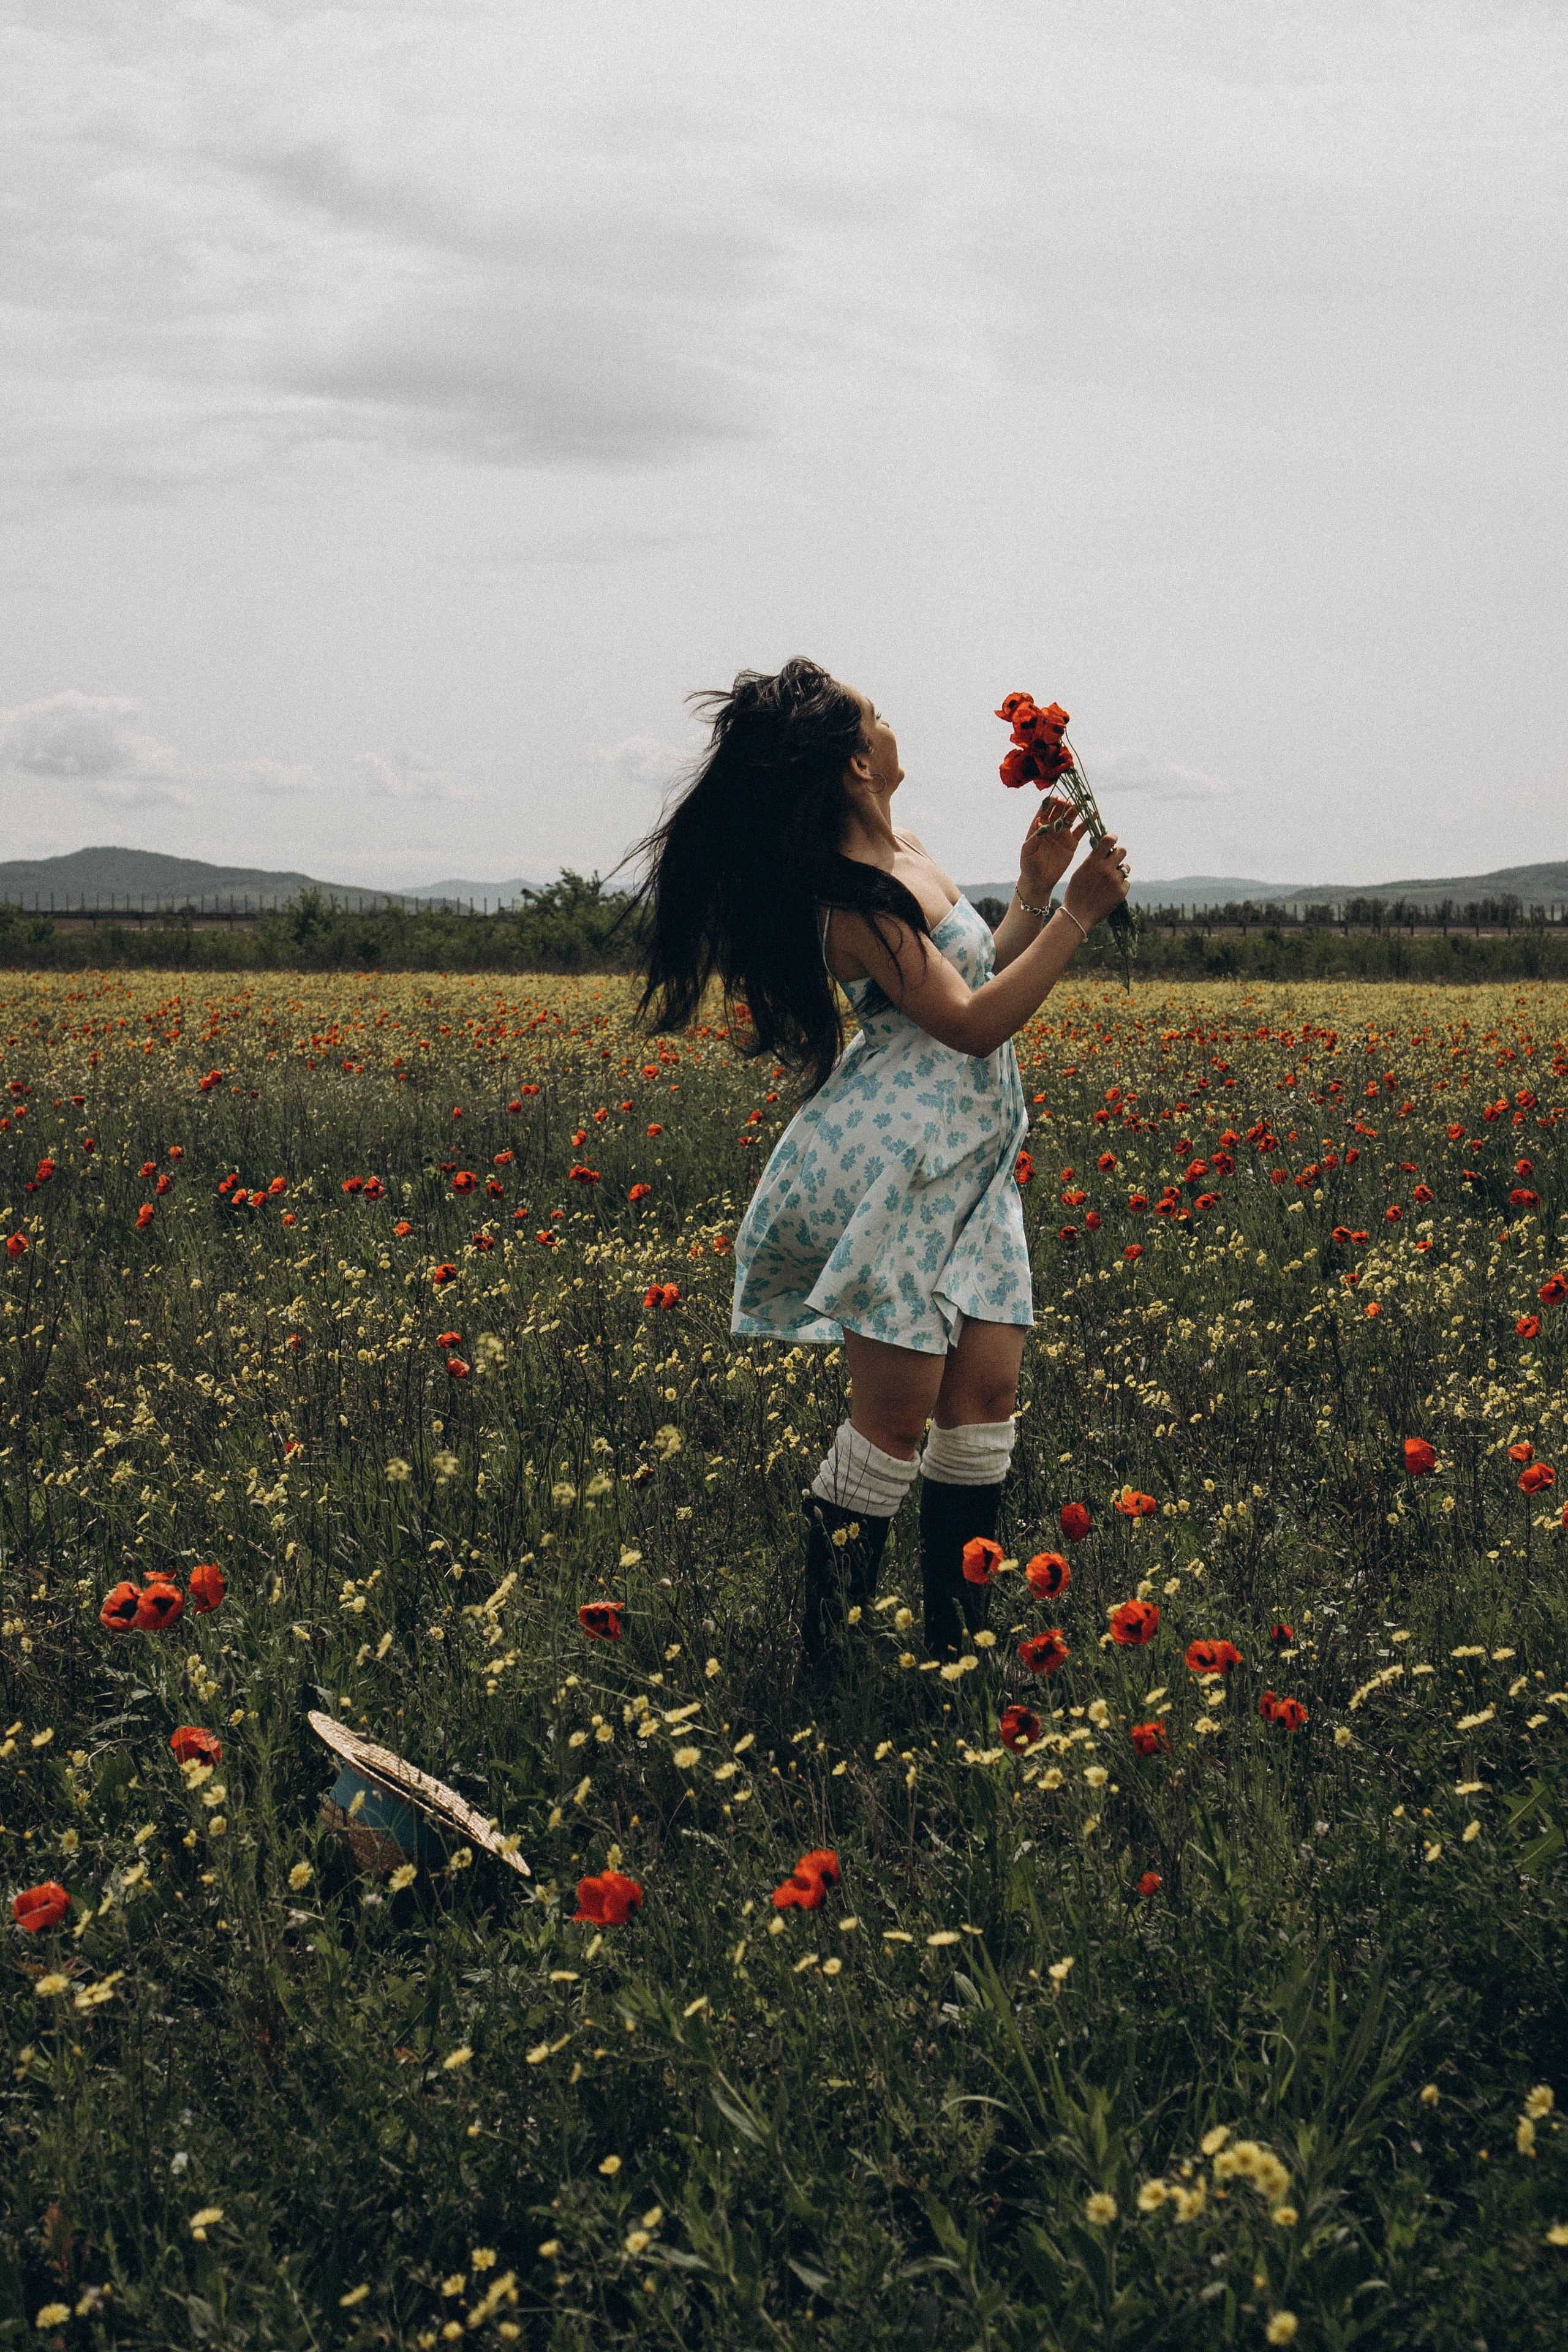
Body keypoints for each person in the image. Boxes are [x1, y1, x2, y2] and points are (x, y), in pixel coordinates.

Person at [634, 657, 1130, 1670]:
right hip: (900, 1165)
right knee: (897, 1420)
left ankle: (955, 1654)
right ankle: (828, 1659)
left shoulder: (902, 850)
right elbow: (973, 1024)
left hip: (972, 1157)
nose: (893, 725)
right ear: (859, 760)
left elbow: (972, 972)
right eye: (879, 717)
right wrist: (1080, 914)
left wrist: (1033, 893)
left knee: (984, 1399)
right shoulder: (850, 896)